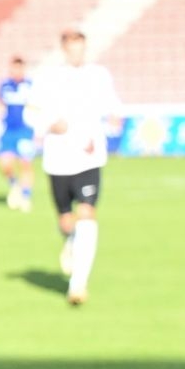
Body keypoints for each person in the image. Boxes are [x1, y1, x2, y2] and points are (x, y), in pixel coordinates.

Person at [27, 29, 121, 305]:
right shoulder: (49, 79)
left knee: (87, 214)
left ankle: (77, 285)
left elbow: (114, 106)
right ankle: (70, 241)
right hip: (58, 159)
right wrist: (49, 125)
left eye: (81, 48)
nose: (77, 54)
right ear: (64, 50)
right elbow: (31, 112)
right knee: (67, 221)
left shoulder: (99, 76)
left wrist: (114, 119)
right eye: (72, 49)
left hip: (89, 158)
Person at [0, 55, 35, 212]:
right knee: (5, 164)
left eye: (19, 68)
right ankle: (14, 185)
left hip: (25, 131)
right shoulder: (5, 85)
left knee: (25, 164)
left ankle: (25, 196)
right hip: (8, 131)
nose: (16, 71)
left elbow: (37, 107)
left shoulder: (30, 86)